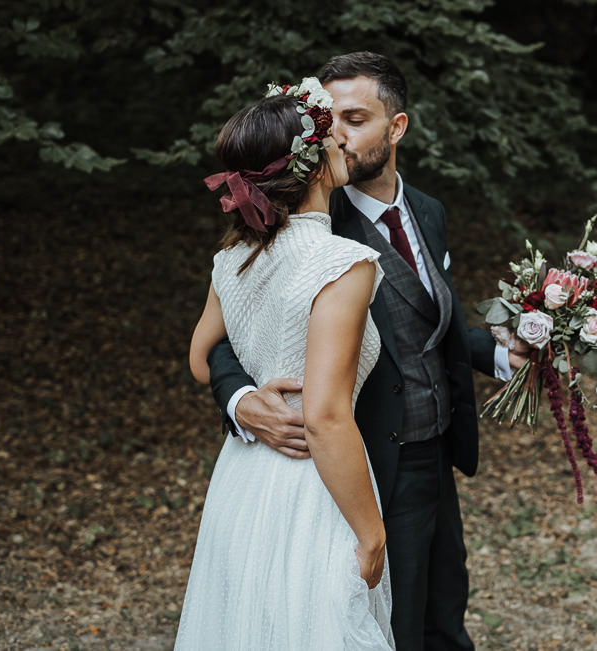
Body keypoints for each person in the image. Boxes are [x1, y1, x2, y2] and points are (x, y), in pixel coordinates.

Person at [205, 52, 526, 650]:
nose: (335, 135)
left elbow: (431, 324)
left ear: (396, 128)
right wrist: (240, 399)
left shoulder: (428, 211)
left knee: (443, 614)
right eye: (328, 120)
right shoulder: (307, 223)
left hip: (437, 450)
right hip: (365, 459)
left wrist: (510, 356)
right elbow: (231, 328)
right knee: (387, 625)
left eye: (354, 118)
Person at [175, 78, 395, 649]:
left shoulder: (234, 256)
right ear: (312, 165)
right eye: (330, 141)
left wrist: (244, 397)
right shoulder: (343, 262)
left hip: (244, 477)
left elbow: (201, 360)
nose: (343, 147)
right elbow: (325, 416)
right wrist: (371, 533)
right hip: (313, 484)